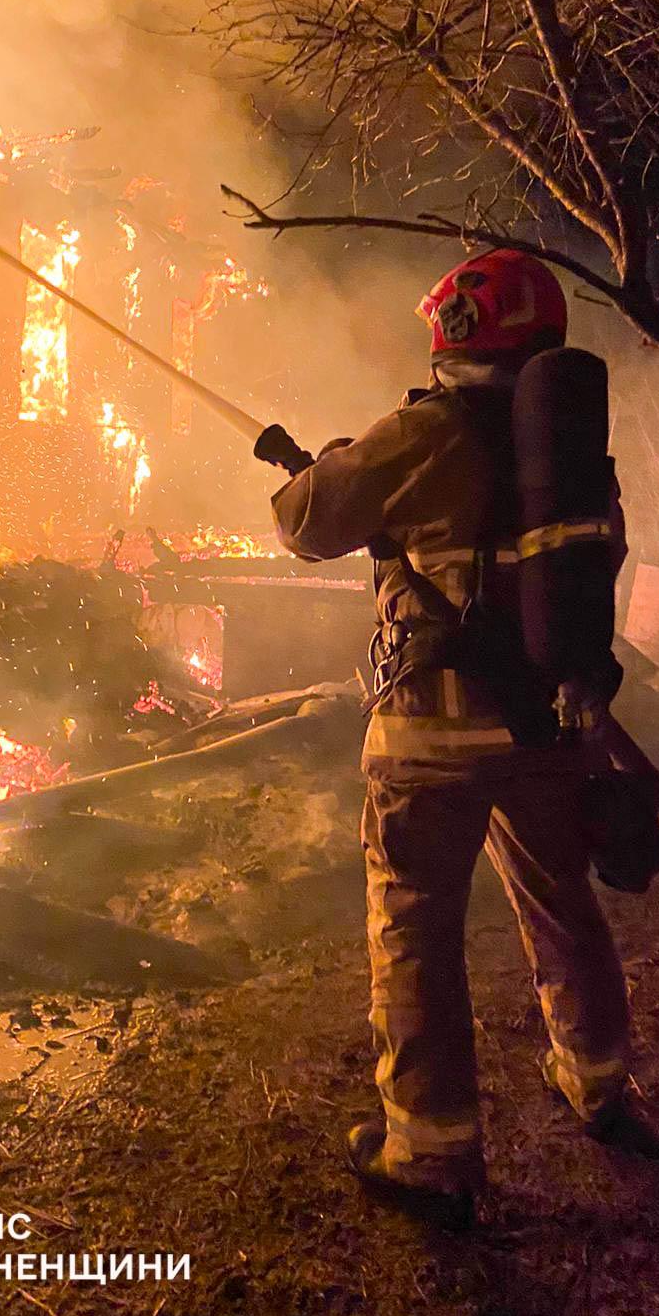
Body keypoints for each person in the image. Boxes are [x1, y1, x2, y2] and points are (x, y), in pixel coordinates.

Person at [259, 249, 632, 1222]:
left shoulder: (426, 430)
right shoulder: (571, 450)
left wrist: (319, 466)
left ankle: (430, 1147)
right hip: (545, 722)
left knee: (417, 925)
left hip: (428, 734)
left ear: (453, 334)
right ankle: (595, 1078)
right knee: (562, 900)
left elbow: (306, 521)